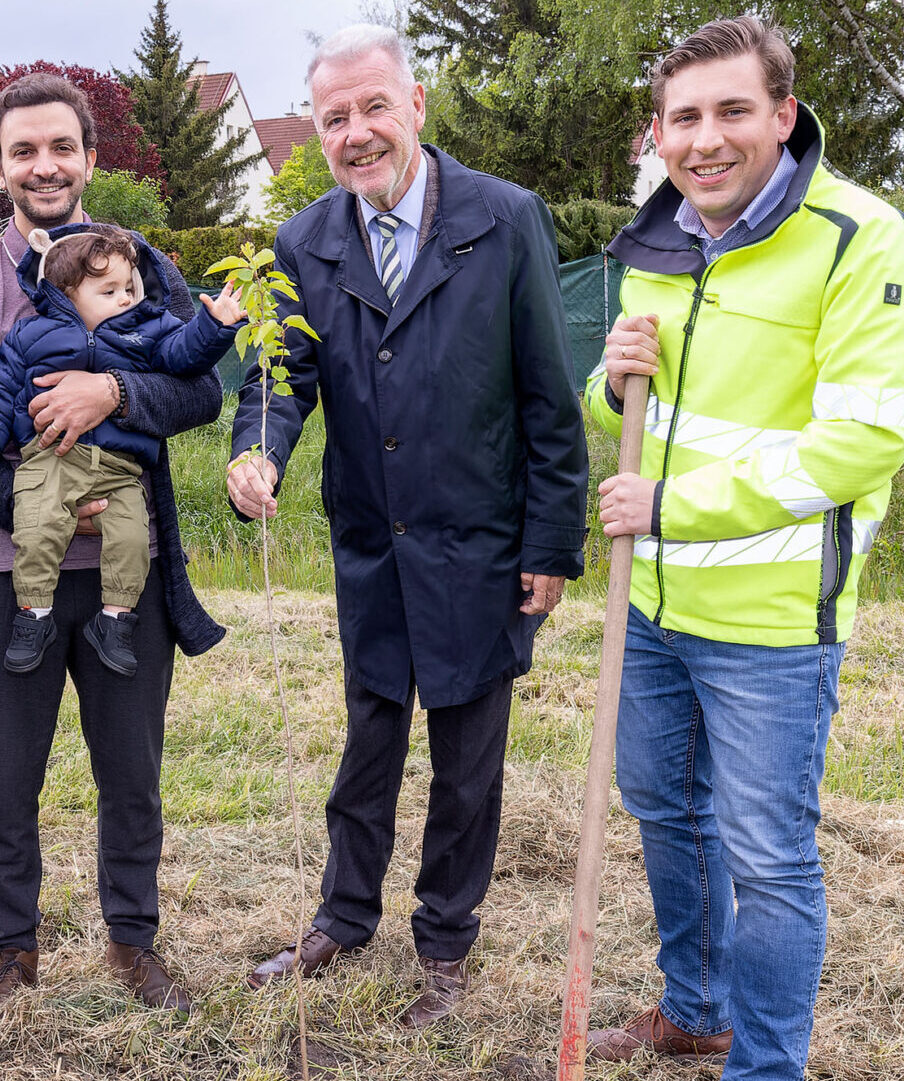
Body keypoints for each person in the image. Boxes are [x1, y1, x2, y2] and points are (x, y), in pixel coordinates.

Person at [585, 17, 904, 1078]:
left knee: (770, 860)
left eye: (733, 111)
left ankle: (765, 1066)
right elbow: (641, 421)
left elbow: (858, 446)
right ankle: (695, 1007)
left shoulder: (859, 241)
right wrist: (612, 382)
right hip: (649, 609)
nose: (706, 139)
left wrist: (674, 508)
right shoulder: (657, 240)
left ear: (783, 116)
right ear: (659, 131)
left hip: (775, 625)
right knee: (663, 812)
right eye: (683, 117)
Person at [225, 24, 588, 1029]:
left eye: (373, 107)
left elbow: (548, 395)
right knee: (369, 742)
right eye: (335, 117)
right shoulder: (305, 242)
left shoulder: (504, 218)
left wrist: (551, 544)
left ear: (417, 106)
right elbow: (280, 375)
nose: (357, 132)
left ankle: (444, 946)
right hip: (373, 544)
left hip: (482, 544)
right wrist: (259, 447)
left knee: (468, 760)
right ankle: (342, 918)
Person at [0, 72, 226, 1027]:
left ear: (92, 158)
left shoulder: (143, 265)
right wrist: (46, 512)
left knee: (130, 771)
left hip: (127, 574)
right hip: (1, 573)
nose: (45, 165)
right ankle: (13, 956)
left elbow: (200, 392)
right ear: (1, 165)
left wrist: (116, 398)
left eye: (62, 147)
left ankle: (134, 943)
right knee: (6, 778)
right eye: (25, 150)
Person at [0, 223, 245, 676]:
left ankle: (115, 620)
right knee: (37, 530)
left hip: (118, 469)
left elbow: (186, 358)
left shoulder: (147, 331)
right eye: (108, 290)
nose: (127, 298)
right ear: (66, 295)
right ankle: (33, 615)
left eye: (129, 286)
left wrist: (215, 325)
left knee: (131, 538)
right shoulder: (31, 334)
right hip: (50, 461)